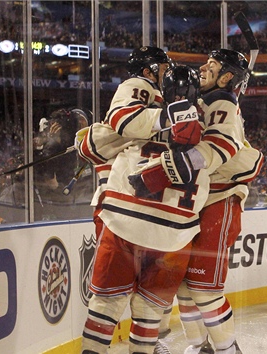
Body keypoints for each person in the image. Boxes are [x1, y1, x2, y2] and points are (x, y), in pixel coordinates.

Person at [130, 48, 264, 354]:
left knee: (204, 287)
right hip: (196, 203)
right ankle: (200, 346)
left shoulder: (223, 102)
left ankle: (228, 348)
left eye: (212, 65)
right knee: (185, 287)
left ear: (227, 76)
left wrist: (158, 174)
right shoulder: (202, 102)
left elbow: (217, 151)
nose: (203, 66)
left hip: (221, 200)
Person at [77, 47, 206, 354]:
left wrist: (94, 139)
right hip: (175, 231)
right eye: (163, 67)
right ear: (149, 70)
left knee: (106, 304)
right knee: (150, 310)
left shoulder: (145, 95)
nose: (165, 72)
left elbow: (117, 124)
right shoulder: (201, 117)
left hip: (126, 216)